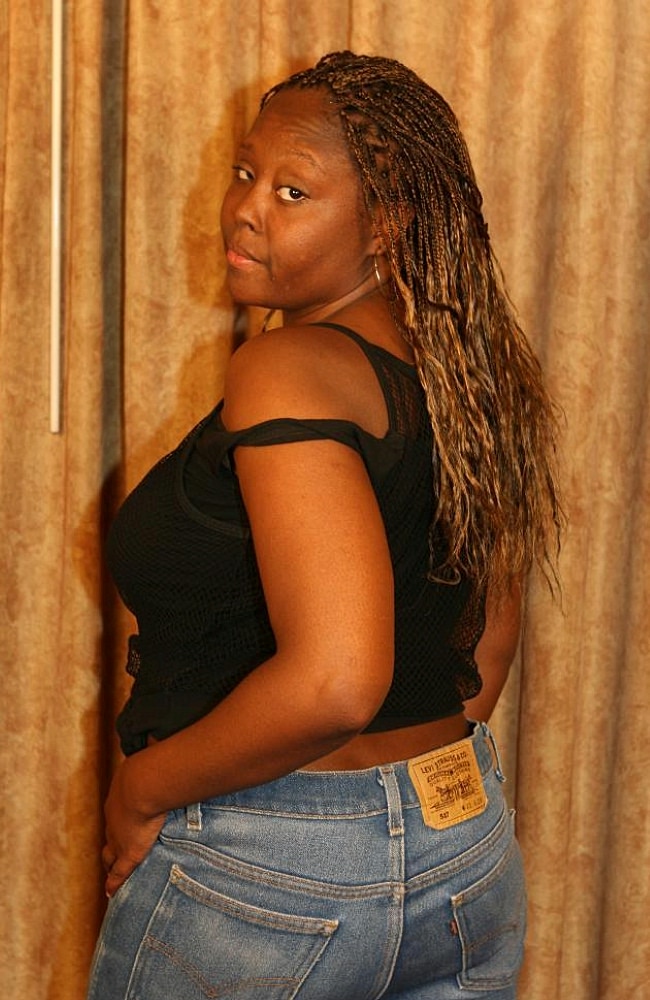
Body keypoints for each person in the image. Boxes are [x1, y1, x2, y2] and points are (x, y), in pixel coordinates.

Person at [87, 51, 562, 999]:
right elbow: (490, 645)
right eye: (245, 172)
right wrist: (396, 809)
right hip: (464, 850)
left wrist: (143, 789)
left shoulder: (284, 369)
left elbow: (339, 682)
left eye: (293, 191)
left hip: (269, 868)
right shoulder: (464, 370)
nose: (245, 208)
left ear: (385, 224)